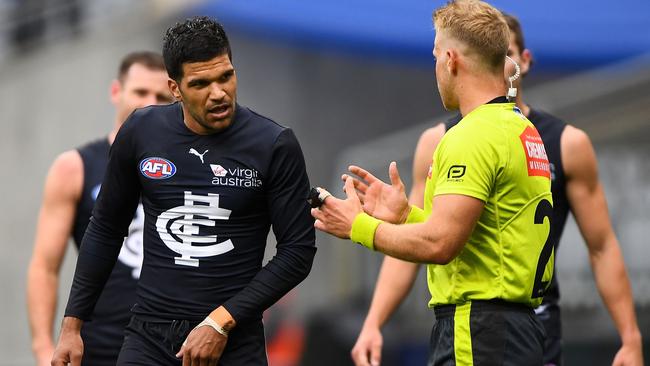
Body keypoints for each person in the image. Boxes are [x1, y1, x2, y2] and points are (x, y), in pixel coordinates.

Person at [350, 13, 644, 366]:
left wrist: (357, 226)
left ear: (524, 62)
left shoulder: (539, 139)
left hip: (498, 323)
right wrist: (374, 320)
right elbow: (431, 234)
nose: (500, 63)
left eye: (506, 54)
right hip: (511, 326)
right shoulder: (512, 133)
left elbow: (602, 246)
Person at [51, 16, 316, 366]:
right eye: (201, 83)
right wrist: (72, 326)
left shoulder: (273, 144)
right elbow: (105, 228)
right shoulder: (142, 131)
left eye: (226, 76)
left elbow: (297, 252)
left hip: (233, 341)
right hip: (148, 338)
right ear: (175, 89)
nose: (218, 93)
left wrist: (221, 321)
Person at [313, 1, 555, 364]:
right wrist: (407, 215)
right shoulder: (522, 129)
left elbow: (441, 243)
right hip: (516, 329)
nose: (436, 67)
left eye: (435, 56)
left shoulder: (470, 135)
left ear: (451, 60)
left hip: (479, 330)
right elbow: (480, 235)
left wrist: (358, 226)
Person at [27, 51, 172, 366]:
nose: (150, 102)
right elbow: (44, 267)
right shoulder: (75, 168)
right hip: (99, 347)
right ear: (116, 92)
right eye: (140, 92)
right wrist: (42, 349)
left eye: (161, 95)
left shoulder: (191, 165)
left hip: (175, 345)